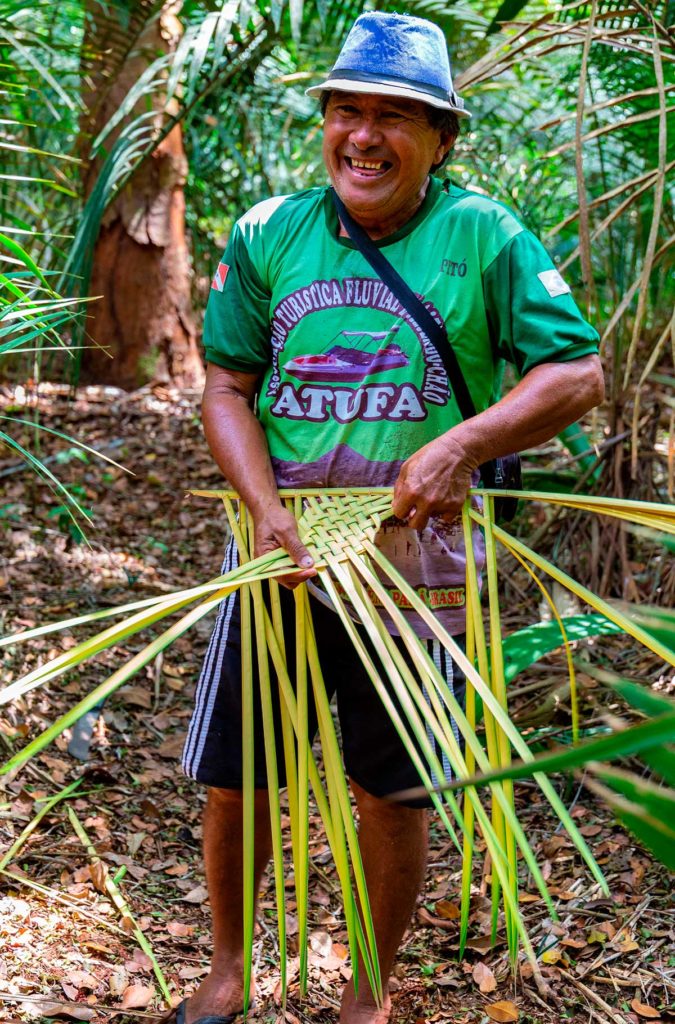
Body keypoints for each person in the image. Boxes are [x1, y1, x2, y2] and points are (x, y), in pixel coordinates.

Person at [172, 11, 604, 1024]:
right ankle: (231, 966)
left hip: (422, 567)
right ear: (325, 122)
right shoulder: (267, 232)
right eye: (348, 112)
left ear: (440, 139)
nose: (365, 136)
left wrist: (459, 444)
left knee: (393, 788)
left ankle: (369, 988)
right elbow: (227, 386)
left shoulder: (486, 235)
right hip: (275, 554)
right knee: (240, 777)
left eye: (394, 118)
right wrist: (265, 510)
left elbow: (577, 371)